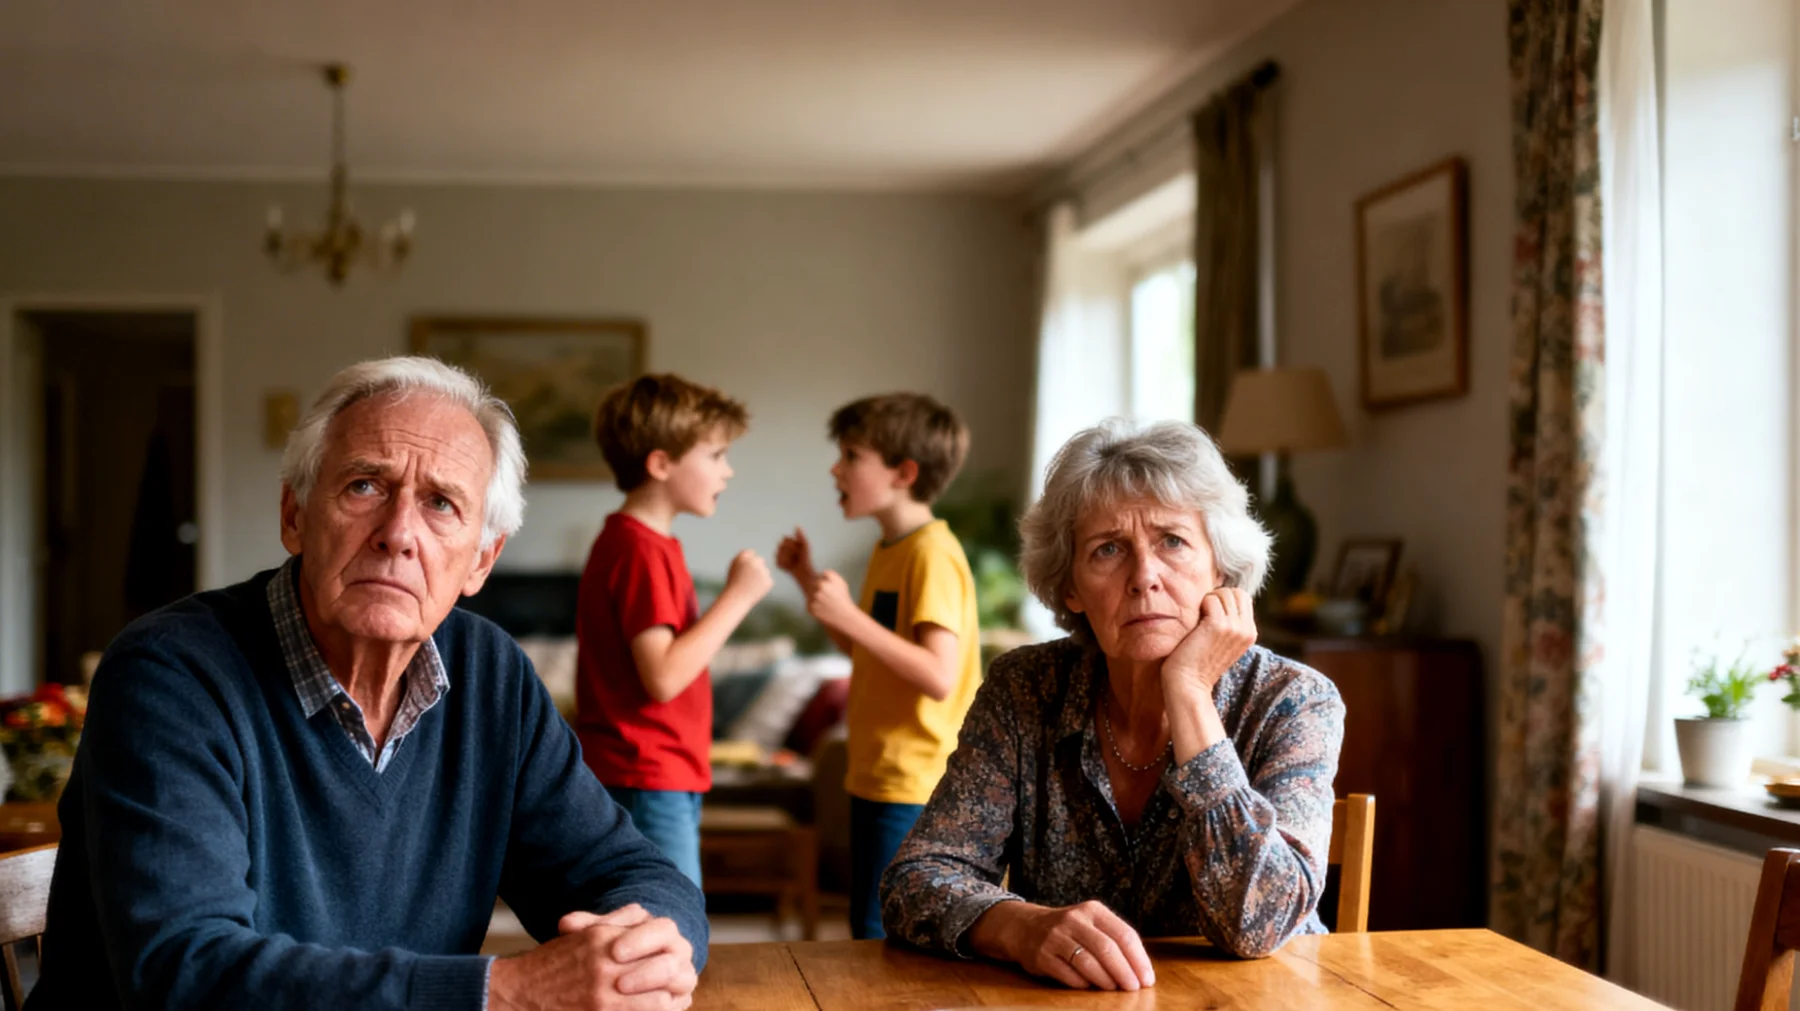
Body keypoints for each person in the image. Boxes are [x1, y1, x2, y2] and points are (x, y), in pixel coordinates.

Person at [29, 357, 707, 1010]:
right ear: (294, 514)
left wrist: (651, 948)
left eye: (442, 503)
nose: (398, 532)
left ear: (481, 559)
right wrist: (507, 992)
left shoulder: (491, 675)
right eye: (364, 486)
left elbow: (637, 874)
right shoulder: (169, 673)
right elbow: (183, 974)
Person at [881, 420, 1345, 990]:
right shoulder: (1026, 688)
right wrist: (1022, 927)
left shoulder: (1292, 700)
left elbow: (1259, 926)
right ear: (1070, 586)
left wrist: (1190, 692)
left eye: (1173, 541)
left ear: (1219, 569)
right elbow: (915, 881)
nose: (1144, 577)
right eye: (1108, 549)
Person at [775, 393, 982, 940]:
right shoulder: (891, 548)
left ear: (903, 472)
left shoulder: (930, 554)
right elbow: (865, 651)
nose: (835, 468)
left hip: (914, 779)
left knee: (880, 933)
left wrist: (850, 614)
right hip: (879, 772)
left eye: (851, 455)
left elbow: (938, 675)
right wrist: (808, 580)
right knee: (867, 927)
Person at [579, 373, 773, 886]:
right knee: (676, 931)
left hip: (654, 770)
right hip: (644, 771)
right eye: (715, 456)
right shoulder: (640, 549)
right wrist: (739, 597)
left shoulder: (644, 544)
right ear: (660, 463)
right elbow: (662, 676)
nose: (727, 472)